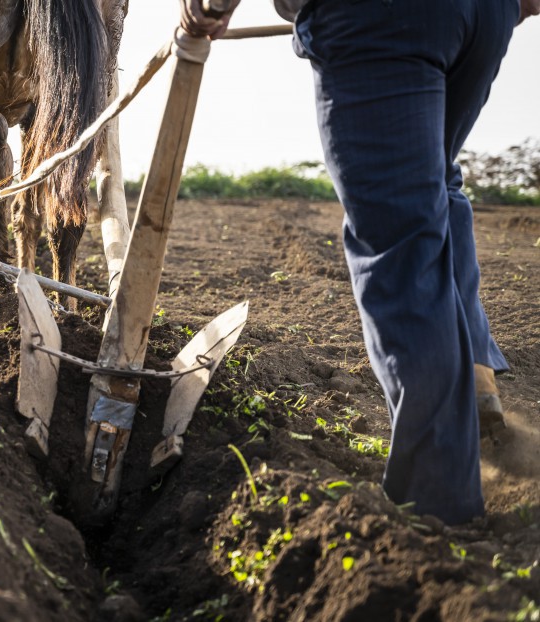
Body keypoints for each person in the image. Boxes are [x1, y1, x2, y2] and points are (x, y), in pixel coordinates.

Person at [179, 0, 539, 525]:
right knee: (437, 182)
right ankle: (476, 373)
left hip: (379, 18)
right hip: (483, 18)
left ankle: (437, 510)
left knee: (399, 240)